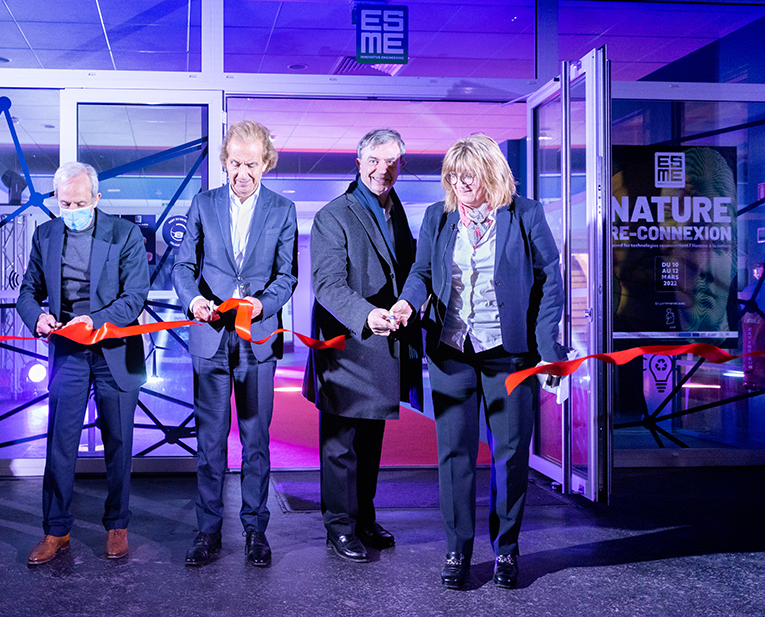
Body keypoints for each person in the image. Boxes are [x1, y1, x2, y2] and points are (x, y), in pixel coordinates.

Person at [392, 134, 567, 590]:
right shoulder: (438, 216)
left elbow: (550, 280)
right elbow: (422, 273)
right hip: (451, 354)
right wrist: (409, 304)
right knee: (454, 456)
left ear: (490, 172)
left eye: (467, 173)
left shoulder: (525, 214)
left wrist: (548, 350)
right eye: (453, 174)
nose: (459, 181)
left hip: (510, 355)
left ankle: (506, 551)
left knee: (509, 456)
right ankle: (457, 551)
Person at [172, 120, 298, 568]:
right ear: (224, 162)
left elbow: (288, 276)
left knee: (256, 440)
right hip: (211, 337)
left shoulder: (283, 210)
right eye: (234, 163)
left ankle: (254, 530)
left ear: (267, 163)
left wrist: (263, 305)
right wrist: (195, 302)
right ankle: (207, 532)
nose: (242, 172)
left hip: (257, 338)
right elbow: (184, 267)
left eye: (251, 164)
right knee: (209, 443)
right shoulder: (203, 204)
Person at [17, 161, 151, 565]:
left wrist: (94, 320)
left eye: (78, 202)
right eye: (64, 203)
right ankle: (56, 531)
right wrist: (37, 317)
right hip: (68, 353)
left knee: (119, 444)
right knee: (60, 445)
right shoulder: (45, 235)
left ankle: (117, 526)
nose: (71, 209)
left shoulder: (124, 234)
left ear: (96, 198)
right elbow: (27, 291)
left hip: (113, 351)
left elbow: (135, 297)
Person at [303, 128, 423, 563]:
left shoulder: (397, 210)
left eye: (391, 162)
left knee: (371, 440)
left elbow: (409, 268)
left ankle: (364, 517)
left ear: (401, 166)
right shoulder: (334, 215)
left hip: (383, 347)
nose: (382, 170)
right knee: (341, 444)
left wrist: (410, 302)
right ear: (358, 162)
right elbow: (327, 285)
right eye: (374, 160)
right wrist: (365, 316)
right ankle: (339, 526)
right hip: (347, 348)